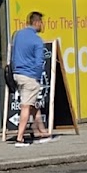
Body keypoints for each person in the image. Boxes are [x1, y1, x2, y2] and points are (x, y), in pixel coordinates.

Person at [10, 11, 52, 145]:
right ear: (37, 22)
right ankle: (20, 137)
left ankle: (40, 130)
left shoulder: (18, 35)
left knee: (32, 105)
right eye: (42, 22)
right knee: (26, 106)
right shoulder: (37, 41)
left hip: (17, 74)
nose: (43, 25)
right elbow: (39, 63)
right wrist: (38, 77)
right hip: (30, 76)